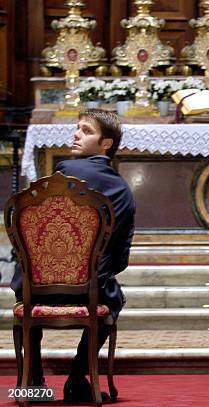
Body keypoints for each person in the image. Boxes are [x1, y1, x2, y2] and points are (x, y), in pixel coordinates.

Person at [11, 109, 136, 402]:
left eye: (86, 130)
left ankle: (34, 380)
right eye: (77, 128)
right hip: (89, 291)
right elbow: (120, 256)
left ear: (106, 143)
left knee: (27, 289)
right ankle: (78, 377)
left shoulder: (61, 175)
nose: (76, 134)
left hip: (36, 289)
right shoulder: (122, 189)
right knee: (113, 299)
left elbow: (30, 231)